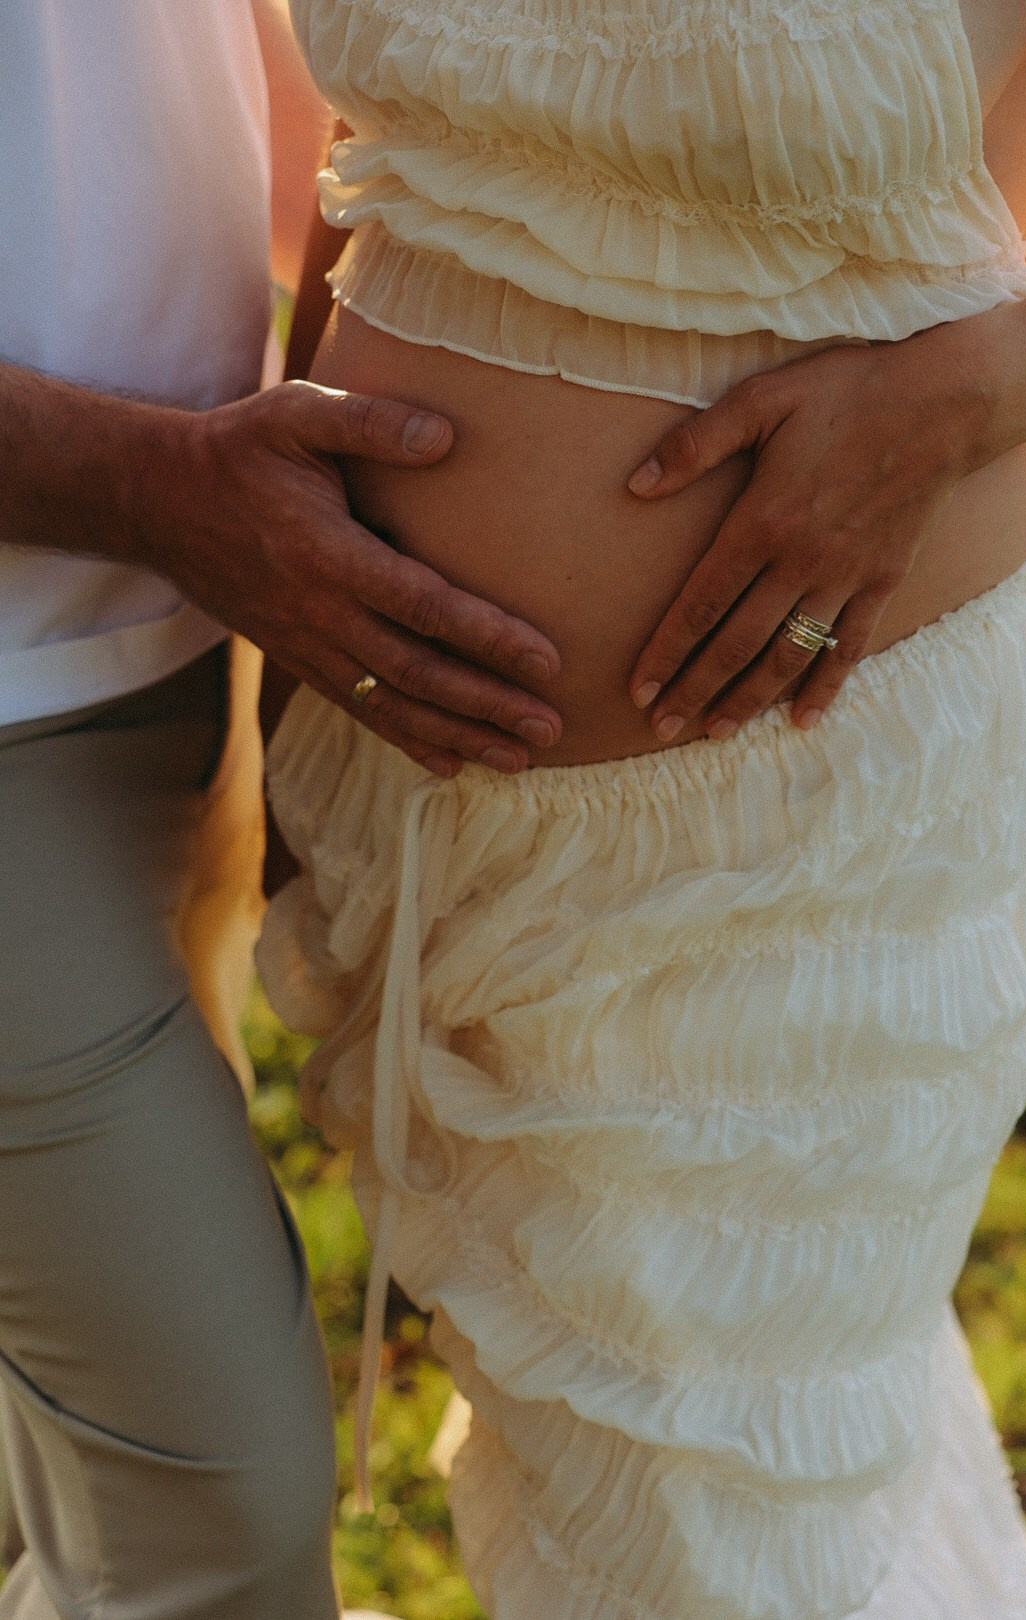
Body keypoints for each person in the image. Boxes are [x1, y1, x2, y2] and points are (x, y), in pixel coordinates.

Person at [258, 0, 1026, 1615]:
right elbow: (384, 177)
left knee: (730, 1535)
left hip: (816, 832)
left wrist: (982, 386)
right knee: (660, 1500)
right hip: (412, 801)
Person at [0, 2, 566, 1616]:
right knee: (212, 1518)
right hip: (49, 668)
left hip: (164, 644)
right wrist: (158, 487)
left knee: (92, 1465)